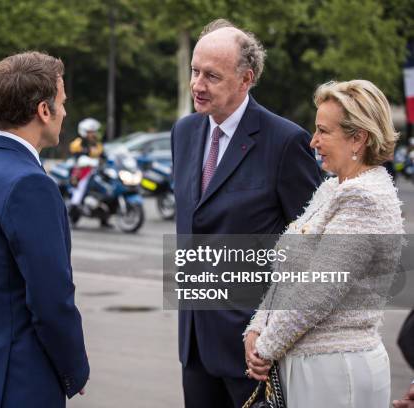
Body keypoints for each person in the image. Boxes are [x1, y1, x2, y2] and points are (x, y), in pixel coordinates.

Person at [171, 19, 321, 407]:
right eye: (194, 71)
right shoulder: (184, 133)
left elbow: (313, 246)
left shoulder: (286, 141)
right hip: (194, 344)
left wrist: (273, 333)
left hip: (253, 351)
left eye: (212, 76)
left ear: (246, 79)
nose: (197, 85)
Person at [244, 79, 404, 407]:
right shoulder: (334, 188)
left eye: (323, 131)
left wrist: (265, 348)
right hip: (310, 365)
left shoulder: (364, 197)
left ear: (358, 137)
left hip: (336, 371)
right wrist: (256, 327)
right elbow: (288, 274)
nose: (313, 141)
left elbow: (318, 292)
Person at [0, 51, 89, 407]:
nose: (65, 112)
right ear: (44, 110)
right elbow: (51, 297)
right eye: (62, 102)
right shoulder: (30, 183)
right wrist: (74, 368)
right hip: (22, 381)